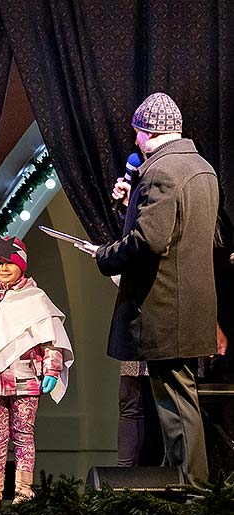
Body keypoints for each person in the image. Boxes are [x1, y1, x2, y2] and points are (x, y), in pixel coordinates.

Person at [80, 92, 220, 485]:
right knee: (178, 399)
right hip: (190, 306)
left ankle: (193, 488)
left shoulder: (161, 171)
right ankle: (187, 483)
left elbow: (150, 240)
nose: (135, 143)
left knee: (176, 403)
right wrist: (131, 201)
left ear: (147, 132)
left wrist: (105, 255)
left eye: (137, 134)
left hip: (163, 306)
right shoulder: (201, 168)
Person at [0, 237, 73, 507]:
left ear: (21, 265)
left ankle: (23, 489)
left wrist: (51, 370)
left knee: (23, 434)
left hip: (25, 378)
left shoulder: (35, 297)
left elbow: (51, 339)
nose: (3, 268)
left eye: (10, 263)